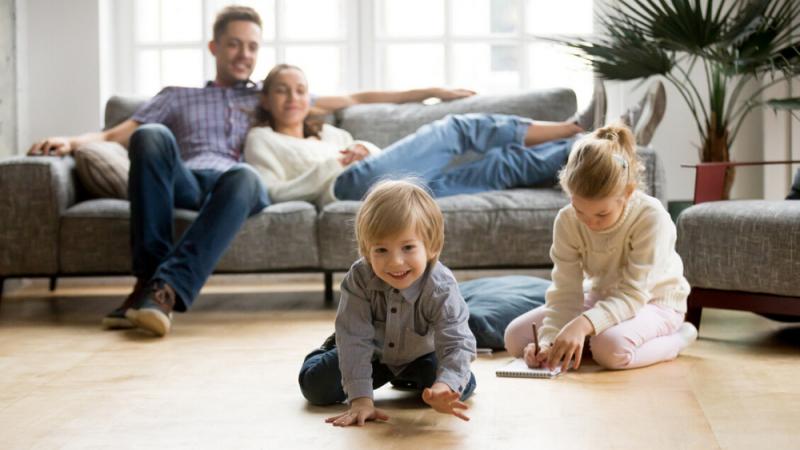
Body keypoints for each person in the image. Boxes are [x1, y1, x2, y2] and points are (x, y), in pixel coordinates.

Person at [27, 7, 473, 337]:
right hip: (187, 179)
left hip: (238, 186)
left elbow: (357, 98)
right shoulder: (176, 95)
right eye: (235, 44)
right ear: (215, 47)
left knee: (244, 176)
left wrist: (431, 90)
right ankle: (149, 282)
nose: (244, 54)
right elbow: (118, 132)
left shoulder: (266, 96)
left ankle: (162, 291)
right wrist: (71, 142)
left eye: (252, 46)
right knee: (151, 136)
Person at [244, 64, 609, 206]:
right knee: (454, 129)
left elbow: (376, 158)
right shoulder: (262, 139)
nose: (293, 97)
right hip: (346, 188)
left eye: (300, 89)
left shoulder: (330, 132)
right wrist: (331, 166)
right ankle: (575, 125)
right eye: (281, 90)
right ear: (265, 98)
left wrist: (362, 149)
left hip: (391, 190)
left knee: (501, 165)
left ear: (310, 97)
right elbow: (270, 191)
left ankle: (593, 145)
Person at [503, 124, 698, 372]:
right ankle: (581, 342)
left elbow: (633, 294)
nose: (590, 222)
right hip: (601, 298)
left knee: (609, 350)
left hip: (655, 301)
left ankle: (679, 338)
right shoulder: (566, 220)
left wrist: (582, 325)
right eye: (579, 210)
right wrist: (547, 342)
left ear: (627, 193)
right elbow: (565, 291)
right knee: (515, 338)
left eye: (602, 214)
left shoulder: (651, 217)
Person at [298, 180, 477, 426]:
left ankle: (410, 378)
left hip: (422, 354)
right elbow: (355, 340)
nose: (395, 262)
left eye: (408, 247)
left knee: (459, 387)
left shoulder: (441, 285)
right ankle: (330, 348)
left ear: (431, 246)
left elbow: (456, 341)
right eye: (381, 250)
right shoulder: (360, 278)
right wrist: (360, 400)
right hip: (373, 353)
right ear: (365, 250)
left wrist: (443, 386)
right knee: (315, 387)